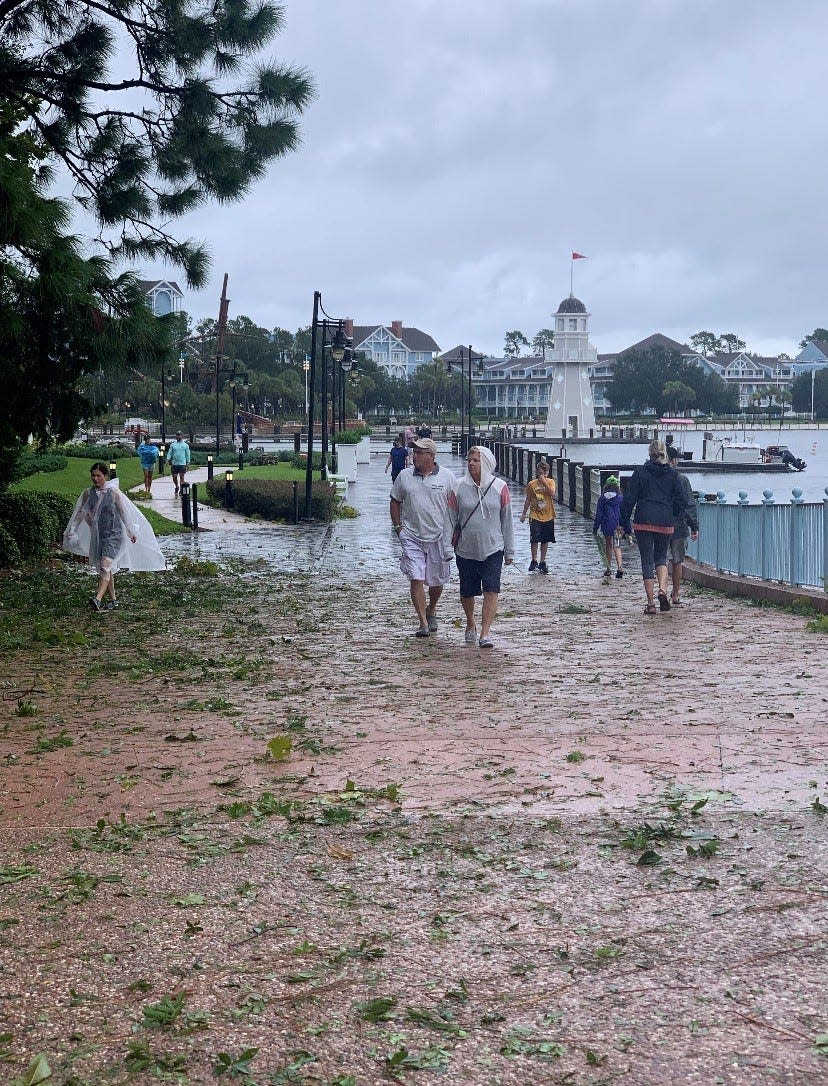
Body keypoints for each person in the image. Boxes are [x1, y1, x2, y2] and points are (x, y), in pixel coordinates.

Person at [63, 462, 165, 611]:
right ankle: (113, 600)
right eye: (93, 475)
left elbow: (124, 513)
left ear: (105, 476)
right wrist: (72, 529)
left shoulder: (113, 493)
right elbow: (82, 513)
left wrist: (130, 531)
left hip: (114, 534)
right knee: (105, 568)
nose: (95, 478)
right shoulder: (88, 493)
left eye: (98, 475)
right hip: (98, 535)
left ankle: (97, 599)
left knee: (105, 564)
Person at [389, 437, 457, 638]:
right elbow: (395, 501)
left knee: (437, 581)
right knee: (416, 577)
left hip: (438, 536)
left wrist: (454, 533)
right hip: (411, 535)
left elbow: (455, 507)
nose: (415, 456)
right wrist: (399, 528)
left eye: (419, 452)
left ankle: (432, 608)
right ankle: (423, 622)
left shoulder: (447, 477)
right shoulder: (404, 476)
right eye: (414, 452)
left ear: (431, 456)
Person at [447, 446, 514, 648]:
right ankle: (470, 622)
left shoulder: (500, 487)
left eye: (476, 460)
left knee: (492, 589)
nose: (471, 463)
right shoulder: (458, 487)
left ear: (485, 463)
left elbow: (507, 520)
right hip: (465, 549)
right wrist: (446, 548)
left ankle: (485, 633)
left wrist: (509, 550)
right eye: (469, 460)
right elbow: (449, 520)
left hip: (493, 548)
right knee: (467, 592)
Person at [619, 439, 691, 615]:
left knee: (647, 560)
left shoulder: (640, 473)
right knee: (661, 558)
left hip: (643, 520)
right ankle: (662, 590)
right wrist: (671, 513)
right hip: (665, 521)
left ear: (649, 453)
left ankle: (651, 603)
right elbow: (682, 500)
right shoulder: (673, 475)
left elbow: (629, 500)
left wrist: (624, 522)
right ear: (664, 453)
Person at [666, 447, 699, 605]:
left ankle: (662, 590)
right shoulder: (682, 479)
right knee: (677, 560)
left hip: (660, 523)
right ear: (673, 460)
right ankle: (676, 593)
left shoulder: (657, 479)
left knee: (661, 560)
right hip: (678, 525)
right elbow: (689, 505)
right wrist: (694, 526)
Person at [519, 458, 556, 573]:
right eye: (540, 473)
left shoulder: (550, 482)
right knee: (534, 538)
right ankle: (534, 559)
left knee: (545, 539)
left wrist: (544, 481)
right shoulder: (532, 484)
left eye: (544, 473)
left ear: (547, 473)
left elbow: (552, 493)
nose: (542, 475)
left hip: (548, 515)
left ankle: (542, 561)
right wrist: (524, 513)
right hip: (535, 514)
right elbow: (528, 499)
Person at [592, 475, 624, 581]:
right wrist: (626, 527)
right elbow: (623, 513)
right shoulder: (620, 498)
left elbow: (599, 514)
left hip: (606, 524)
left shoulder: (602, 498)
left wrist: (595, 527)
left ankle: (608, 567)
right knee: (617, 545)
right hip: (617, 525)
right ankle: (620, 567)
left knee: (608, 546)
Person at [167, 430, 191, 495]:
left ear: (182, 436)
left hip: (182, 463)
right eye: (177, 435)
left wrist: (188, 462)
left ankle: (181, 489)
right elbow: (170, 453)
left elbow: (187, 454)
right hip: (174, 463)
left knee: (182, 477)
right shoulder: (173, 445)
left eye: (179, 435)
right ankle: (176, 486)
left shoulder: (185, 445)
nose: (178, 436)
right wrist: (168, 459)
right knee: (174, 477)